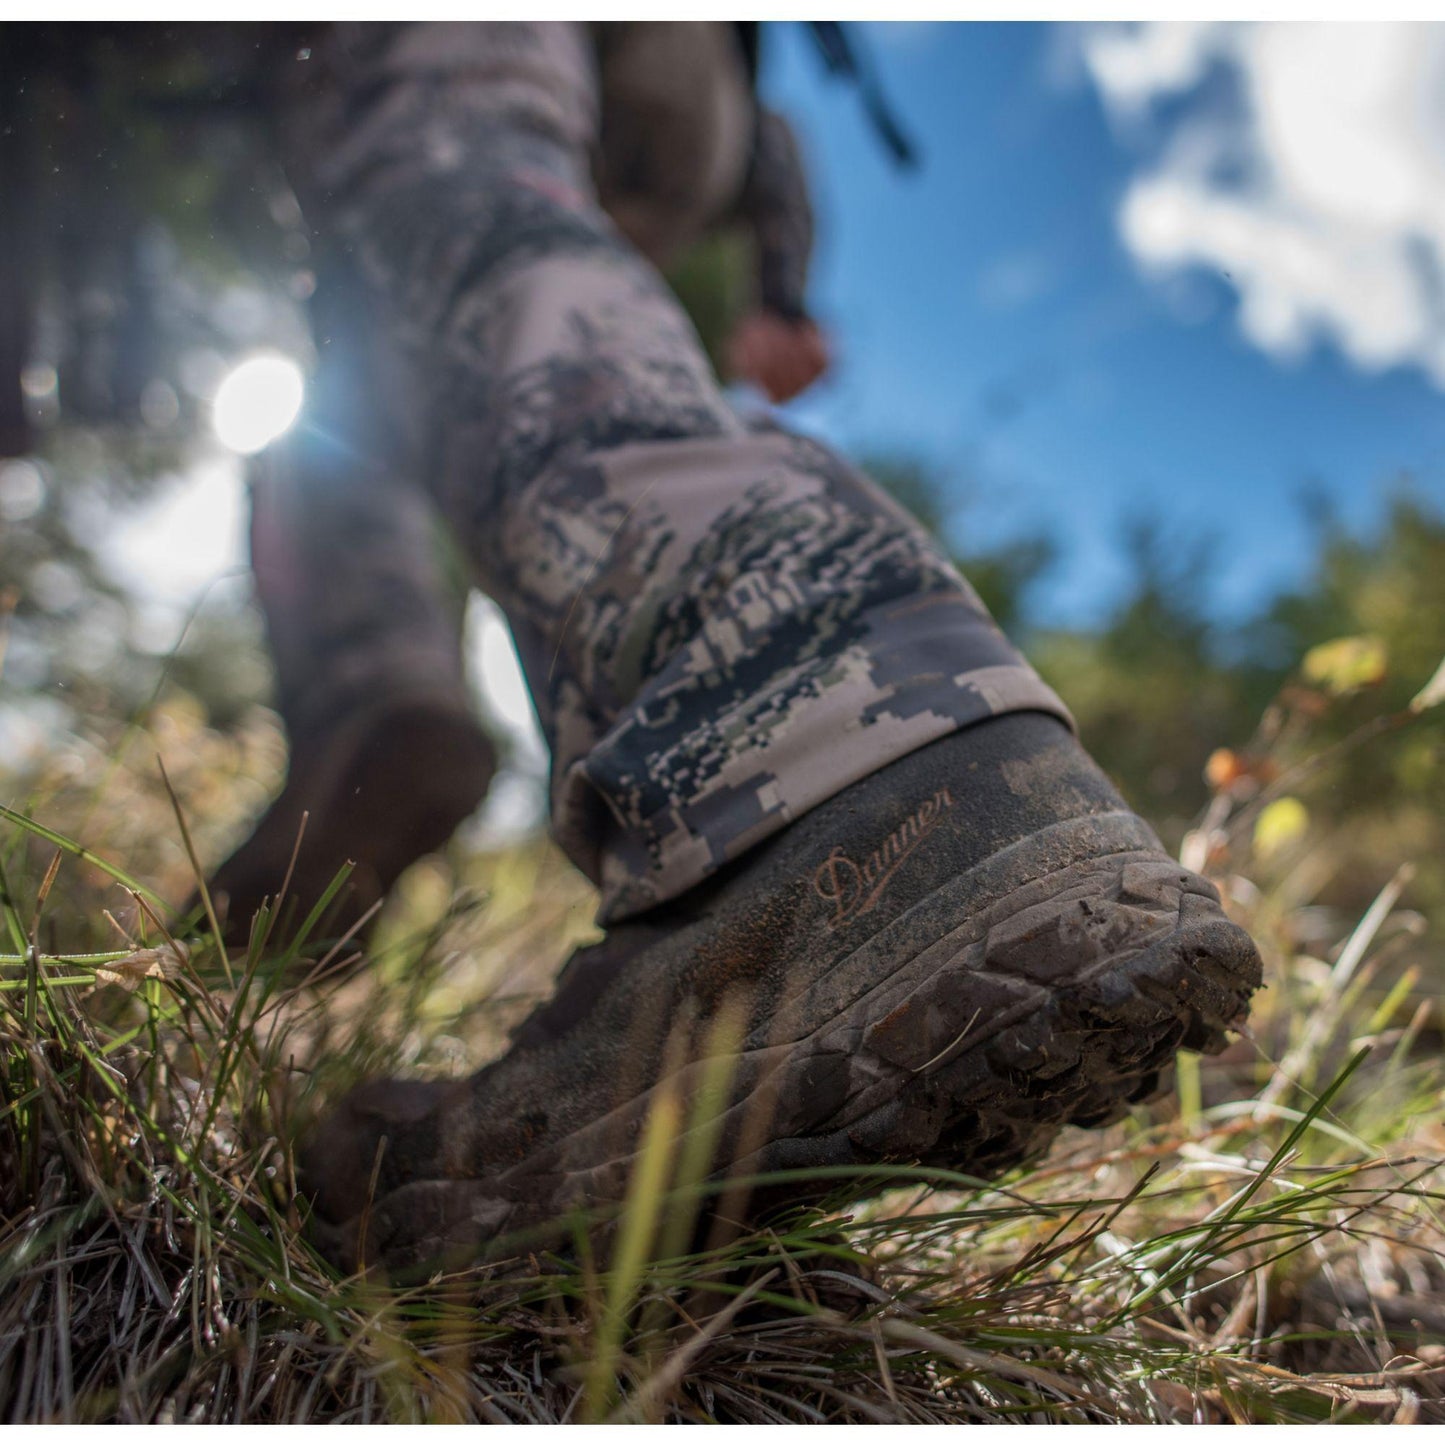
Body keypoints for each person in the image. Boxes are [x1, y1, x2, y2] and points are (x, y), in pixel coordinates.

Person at [203, 22, 1261, 1274]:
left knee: (456, 189)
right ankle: (373, 713)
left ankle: (827, 757)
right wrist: (778, 280)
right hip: (684, 110)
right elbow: (774, 135)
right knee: (372, 384)